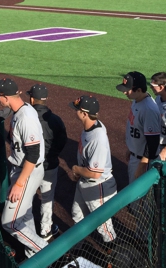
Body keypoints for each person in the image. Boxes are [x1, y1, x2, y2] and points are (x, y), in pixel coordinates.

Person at [0, 78, 48, 258]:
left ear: (5, 97)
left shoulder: (26, 117)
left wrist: (19, 184)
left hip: (27, 171)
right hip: (22, 169)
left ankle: (48, 251)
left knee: (9, 222)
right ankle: (34, 257)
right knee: (24, 215)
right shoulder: (21, 110)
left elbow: (33, 154)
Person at [70, 95, 118, 246]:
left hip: (98, 185)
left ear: (84, 113)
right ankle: (81, 248)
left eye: (77, 110)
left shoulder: (97, 138)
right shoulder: (90, 126)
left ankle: (113, 255)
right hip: (85, 181)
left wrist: (77, 169)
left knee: (103, 226)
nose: (74, 111)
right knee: (77, 215)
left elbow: (95, 174)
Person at [26, 84, 67, 241]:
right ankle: (45, 231)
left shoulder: (26, 118)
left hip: (31, 166)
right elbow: (62, 141)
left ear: (31, 98)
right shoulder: (56, 120)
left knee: (27, 198)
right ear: (46, 99)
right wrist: (53, 155)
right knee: (47, 199)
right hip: (50, 165)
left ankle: (27, 230)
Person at [116, 71, 161, 183]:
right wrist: (131, 149)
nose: (124, 92)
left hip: (143, 161)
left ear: (139, 90)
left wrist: (141, 166)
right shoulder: (137, 100)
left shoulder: (148, 109)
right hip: (136, 156)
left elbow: (153, 143)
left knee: (138, 198)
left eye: (128, 90)